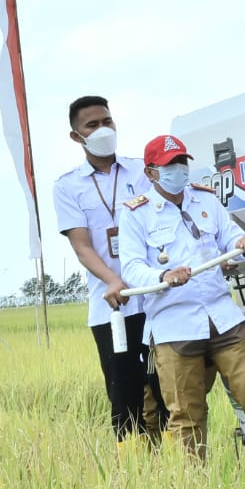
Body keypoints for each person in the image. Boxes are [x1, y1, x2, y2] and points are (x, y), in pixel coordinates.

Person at [118, 133, 245, 474]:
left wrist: (244, 241)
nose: (179, 170)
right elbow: (132, 268)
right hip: (174, 326)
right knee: (186, 415)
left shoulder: (206, 200)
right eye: (169, 166)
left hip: (222, 318)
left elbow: (228, 238)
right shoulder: (137, 214)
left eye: (182, 162)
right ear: (151, 173)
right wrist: (163, 275)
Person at [52, 95, 167, 447]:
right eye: (92, 125)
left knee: (166, 389)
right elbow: (82, 245)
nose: (103, 130)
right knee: (124, 395)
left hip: (154, 301)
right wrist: (113, 279)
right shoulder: (68, 186)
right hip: (111, 309)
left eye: (107, 121)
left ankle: (173, 465)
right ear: (76, 136)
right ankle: (131, 467)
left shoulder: (141, 172)